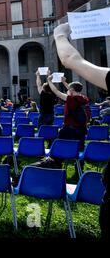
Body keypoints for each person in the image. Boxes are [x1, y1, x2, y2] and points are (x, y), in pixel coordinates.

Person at [53, 22, 110, 239]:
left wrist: (59, 34)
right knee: (78, 151)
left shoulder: (72, 98)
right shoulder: (81, 98)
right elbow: (68, 88)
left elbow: (71, 60)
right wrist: (58, 81)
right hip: (80, 131)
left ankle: (57, 169)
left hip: (69, 129)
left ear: (72, 90)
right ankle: (77, 169)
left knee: (61, 149)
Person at [47, 73, 90, 155]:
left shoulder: (70, 99)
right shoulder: (83, 98)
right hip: (81, 128)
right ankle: (79, 165)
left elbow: (56, 91)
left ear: (72, 90)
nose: (67, 90)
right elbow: (73, 90)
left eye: (69, 89)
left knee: (58, 146)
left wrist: (49, 81)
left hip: (69, 128)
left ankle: (56, 162)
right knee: (80, 149)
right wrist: (64, 82)